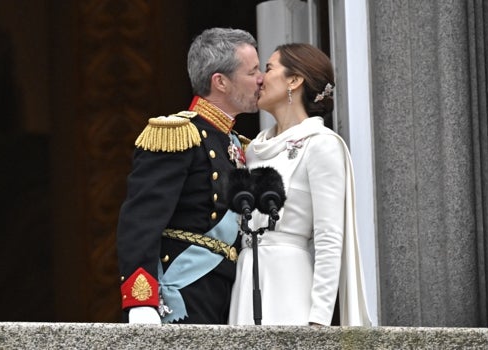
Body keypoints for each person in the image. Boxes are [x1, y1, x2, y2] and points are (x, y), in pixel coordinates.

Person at [117, 27, 263, 324]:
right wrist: (141, 300)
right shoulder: (177, 134)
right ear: (220, 82)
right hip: (182, 292)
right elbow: (140, 221)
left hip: (230, 297)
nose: (261, 79)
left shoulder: (238, 144)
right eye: (253, 71)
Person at [228, 43, 371, 326]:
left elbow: (330, 237)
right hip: (246, 277)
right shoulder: (254, 149)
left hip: (290, 284)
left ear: (294, 80)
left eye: (268, 69)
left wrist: (318, 319)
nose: (260, 79)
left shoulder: (321, 145)